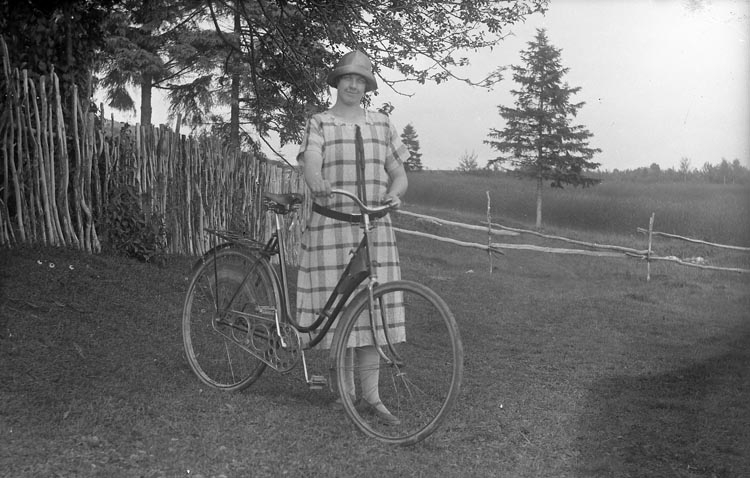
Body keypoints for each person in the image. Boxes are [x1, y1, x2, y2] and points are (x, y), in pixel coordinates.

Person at [296, 50, 409, 425]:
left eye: (359, 80)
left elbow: (399, 173)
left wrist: (396, 191)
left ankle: (373, 398)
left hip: (374, 229)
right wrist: (316, 180)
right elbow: (311, 160)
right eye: (346, 78)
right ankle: (343, 394)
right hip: (332, 225)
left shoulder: (382, 124)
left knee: (373, 312)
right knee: (340, 314)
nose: (352, 85)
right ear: (337, 82)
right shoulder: (320, 123)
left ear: (367, 87)